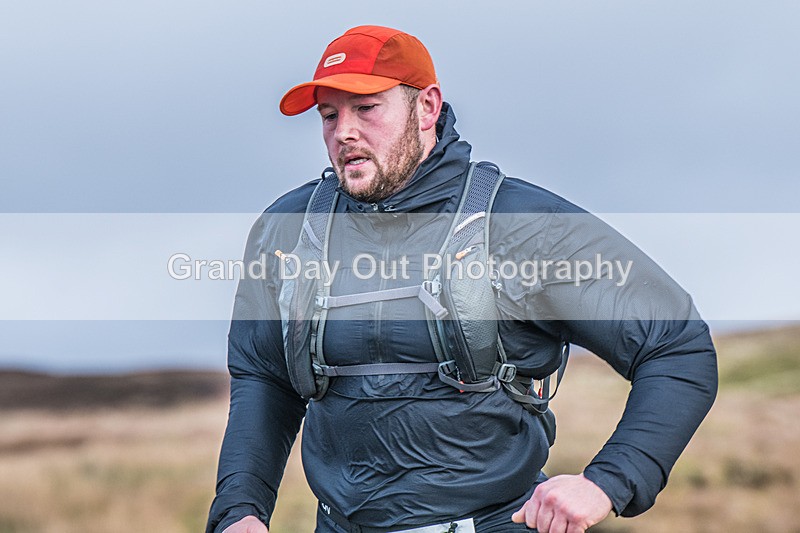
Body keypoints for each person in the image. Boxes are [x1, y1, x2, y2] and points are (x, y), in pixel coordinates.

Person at [206, 25, 717, 533]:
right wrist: (239, 511)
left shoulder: (522, 225)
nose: (344, 132)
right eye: (329, 114)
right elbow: (263, 377)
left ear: (426, 107)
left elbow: (676, 346)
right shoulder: (287, 229)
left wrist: (609, 481)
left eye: (366, 108)